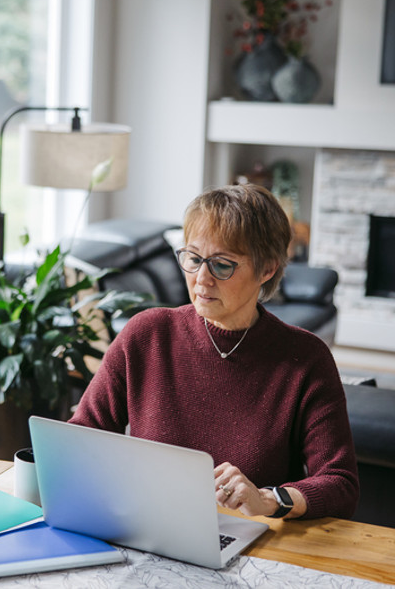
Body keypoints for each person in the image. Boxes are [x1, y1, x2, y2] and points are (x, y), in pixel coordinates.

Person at [69, 184, 359, 520]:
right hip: (147, 527)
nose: (201, 279)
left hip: (249, 543)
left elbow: (340, 483)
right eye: (192, 259)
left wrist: (269, 499)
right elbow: (81, 438)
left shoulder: (306, 359)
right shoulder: (146, 335)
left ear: (267, 269)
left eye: (222, 265)